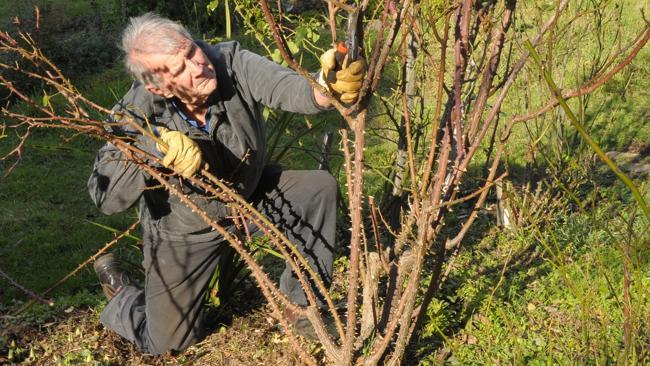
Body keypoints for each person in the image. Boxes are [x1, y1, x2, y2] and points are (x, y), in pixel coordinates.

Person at [87, 13, 364, 355]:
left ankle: (303, 307)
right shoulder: (135, 113)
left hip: (249, 198)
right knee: (166, 346)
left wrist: (325, 87)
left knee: (317, 189)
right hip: (185, 231)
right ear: (158, 87)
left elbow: (288, 88)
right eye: (180, 68)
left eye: (192, 51)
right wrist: (154, 146)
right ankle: (121, 294)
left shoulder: (229, 62)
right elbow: (106, 197)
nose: (198, 65)